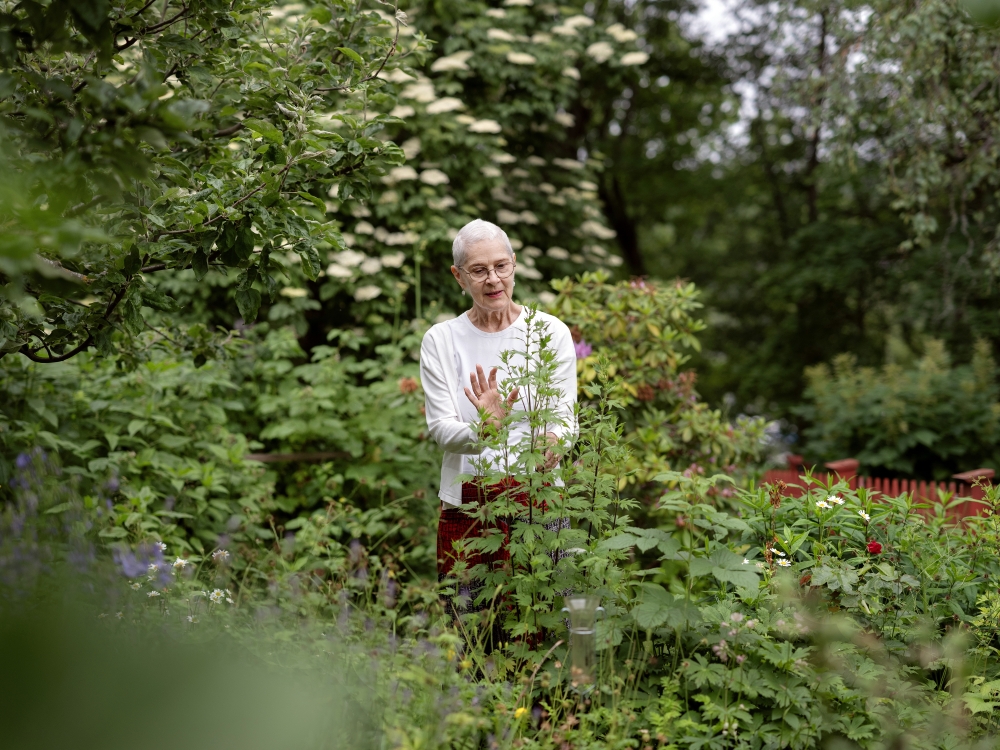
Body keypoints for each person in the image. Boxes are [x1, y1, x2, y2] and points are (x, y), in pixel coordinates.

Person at [419, 219, 577, 626]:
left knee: (546, 625)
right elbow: (441, 429)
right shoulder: (441, 339)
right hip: (467, 504)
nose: (493, 280)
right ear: (458, 276)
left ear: (514, 265)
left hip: (540, 499)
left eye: (501, 266)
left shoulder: (548, 332)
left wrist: (553, 442)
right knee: (469, 630)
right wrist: (485, 430)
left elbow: (565, 417)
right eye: (479, 270)